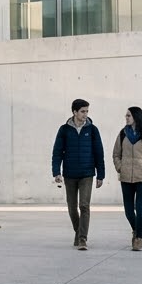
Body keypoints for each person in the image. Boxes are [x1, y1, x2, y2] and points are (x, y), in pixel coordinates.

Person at [51, 98, 104, 250]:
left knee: (84, 205)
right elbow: (57, 152)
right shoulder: (64, 130)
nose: (85, 114)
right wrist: (56, 172)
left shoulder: (93, 130)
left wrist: (100, 174)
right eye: (82, 111)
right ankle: (78, 231)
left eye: (87, 111)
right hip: (70, 174)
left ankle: (82, 239)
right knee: (72, 207)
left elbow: (99, 153)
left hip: (87, 173)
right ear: (74, 112)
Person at [112, 105, 142, 251]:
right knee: (128, 210)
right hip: (126, 177)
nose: (126, 118)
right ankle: (136, 229)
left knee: (139, 207)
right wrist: (120, 167)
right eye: (126, 115)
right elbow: (116, 154)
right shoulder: (122, 134)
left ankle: (138, 238)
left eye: (128, 115)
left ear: (136, 117)